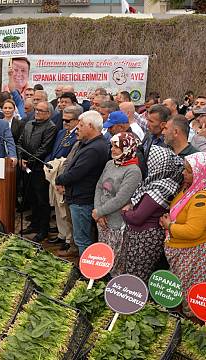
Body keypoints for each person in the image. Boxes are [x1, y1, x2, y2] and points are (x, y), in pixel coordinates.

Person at [159, 152, 206, 310]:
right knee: (178, 292)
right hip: (181, 249)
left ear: (201, 174)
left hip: (193, 252)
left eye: (189, 171)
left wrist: (170, 226)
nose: (183, 173)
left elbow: (193, 231)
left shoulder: (204, 197)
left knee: (187, 297)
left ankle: (186, 324)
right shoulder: (192, 189)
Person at [122, 145, 184, 280]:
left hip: (145, 239)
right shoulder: (156, 181)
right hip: (140, 236)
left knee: (137, 276)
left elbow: (137, 217)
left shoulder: (161, 187)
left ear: (158, 164)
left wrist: (124, 212)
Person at [55, 111, 110, 256]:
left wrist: (59, 179)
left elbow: (77, 173)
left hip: (83, 199)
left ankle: (86, 272)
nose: (77, 128)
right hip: (78, 196)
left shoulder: (95, 148)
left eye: (81, 125)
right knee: (80, 236)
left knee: (83, 239)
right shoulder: (88, 144)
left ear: (91, 126)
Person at [93, 132, 142, 275]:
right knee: (102, 257)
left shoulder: (133, 171)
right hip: (102, 219)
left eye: (117, 147)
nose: (112, 150)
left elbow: (121, 198)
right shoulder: (110, 163)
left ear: (127, 148)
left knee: (114, 261)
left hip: (116, 222)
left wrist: (100, 212)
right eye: (112, 146)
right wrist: (98, 212)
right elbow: (99, 187)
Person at [18, 100, 57, 242]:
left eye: (41, 110)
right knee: (31, 197)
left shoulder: (50, 127)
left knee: (42, 200)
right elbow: (20, 142)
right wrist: (21, 158)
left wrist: (30, 160)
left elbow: (45, 147)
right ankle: (34, 224)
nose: (37, 112)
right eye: (36, 110)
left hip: (39, 168)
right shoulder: (29, 124)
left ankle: (43, 229)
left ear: (48, 113)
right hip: (26, 166)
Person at [45, 105, 80, 248]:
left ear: (77, 120)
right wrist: (48, 163)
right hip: (53, 173)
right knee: (58, 209)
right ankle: (61, 234)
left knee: (64, 209)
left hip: (65, 175)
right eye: (63, 120)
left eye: (68, 120)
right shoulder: (61, 133)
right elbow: (53, 151)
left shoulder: (77, 136)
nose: (64, 123)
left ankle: (68, 238)